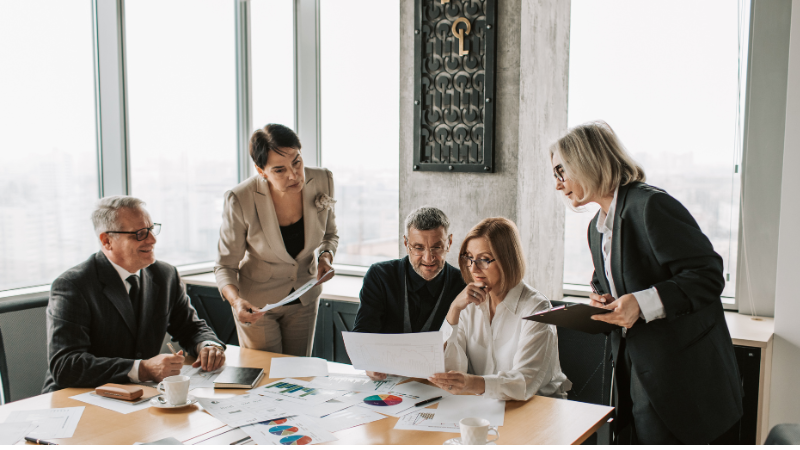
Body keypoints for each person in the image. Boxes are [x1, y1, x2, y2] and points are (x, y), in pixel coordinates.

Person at [550, 121, 743, 444]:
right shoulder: (597, 230)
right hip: (636, 377)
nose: (558, 185)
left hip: (685, 384)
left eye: (560, 171)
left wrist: (641, 303)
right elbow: (613, 282)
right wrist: (601, 298)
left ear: (586, 160)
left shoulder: (650, 205)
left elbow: (708, 274)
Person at [43, 197, 225, 393]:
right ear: (107, 241)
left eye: (151, 229)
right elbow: (65, 365)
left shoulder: (165, 275)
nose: (152, 240)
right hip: (79, 397)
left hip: (140, 396)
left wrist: (207, 345)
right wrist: (142, 369)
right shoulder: (73, 285)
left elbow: (190, 327)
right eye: (139, 234)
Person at [215, 124, 338, 356]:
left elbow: (330, 234)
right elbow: (225, 265)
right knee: (266, 378)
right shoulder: (240, 198)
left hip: (304, 298)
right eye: (279, 170)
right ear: (261, 171)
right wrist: (236, 301)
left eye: (297, 162)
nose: (293, 175)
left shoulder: (323, 179)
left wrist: (325, 256)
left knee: (299, 377)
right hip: (258, 306)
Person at [427, 218, 571, 401]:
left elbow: (523, 382)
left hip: (537, 408)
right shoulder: (468, 304)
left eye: (484, 259)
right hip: (486, 405)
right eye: (469, 258)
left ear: (507, 259)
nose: (474, 268)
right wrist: (453, 310)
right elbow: (449, 371)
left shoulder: (537, 308)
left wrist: (471, 383)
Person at [353, 206, 466, 380]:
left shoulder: (463, 284)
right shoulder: (379, 276)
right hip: (387, 382)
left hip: (439, 384)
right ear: (406, 244)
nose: (428, 258)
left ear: (449, 243)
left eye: (437, 248)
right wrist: (368, 362)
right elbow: (363, 334)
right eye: (418, 248)